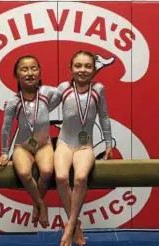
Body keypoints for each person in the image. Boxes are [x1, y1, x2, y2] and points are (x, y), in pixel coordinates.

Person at [53, 51, 113, 246]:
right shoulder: (64, 88)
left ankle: (69, 228)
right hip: (64, 143)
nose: (83, 70)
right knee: (61, 177)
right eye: (78, 66)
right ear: (70, 69)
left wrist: (108, 142)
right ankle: (75, 226)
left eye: (88, 66)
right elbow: (43, 105)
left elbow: (104, 116)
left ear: (94, 69)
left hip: (84, 146)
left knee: (80, 178)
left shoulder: (99, 89)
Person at [0, 55, 57, 227]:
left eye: (34, 68)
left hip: (44, 144)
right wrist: (4, 153)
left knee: (46, 171)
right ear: (16, 76)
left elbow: (67, 92)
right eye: (24, 69)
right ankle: (41, 205)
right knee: (23, 173)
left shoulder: (48, 93)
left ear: (40, 72)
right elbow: (6, 129)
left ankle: (36, 207)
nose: (30, 73)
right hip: (23, 147)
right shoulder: (13, 103)